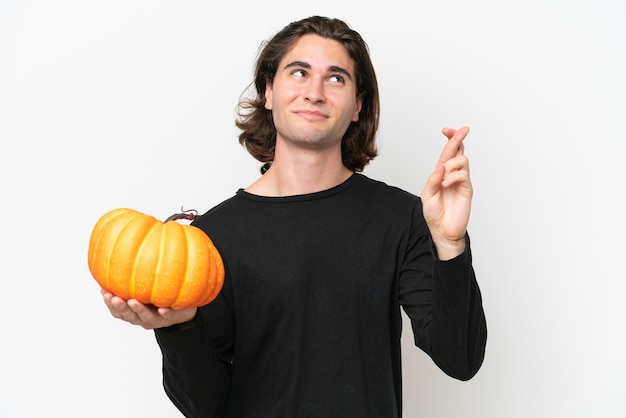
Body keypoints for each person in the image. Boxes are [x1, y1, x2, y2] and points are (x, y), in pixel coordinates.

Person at [102, 15, 487, 417]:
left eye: (336, 78)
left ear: (357, 106)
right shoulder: (209, 239)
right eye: (299, 72)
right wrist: (178, 326)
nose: (315, 92)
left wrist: (449, 244)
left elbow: (459, 359)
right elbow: (205, 406)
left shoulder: (402, 216)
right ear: (268, 91)